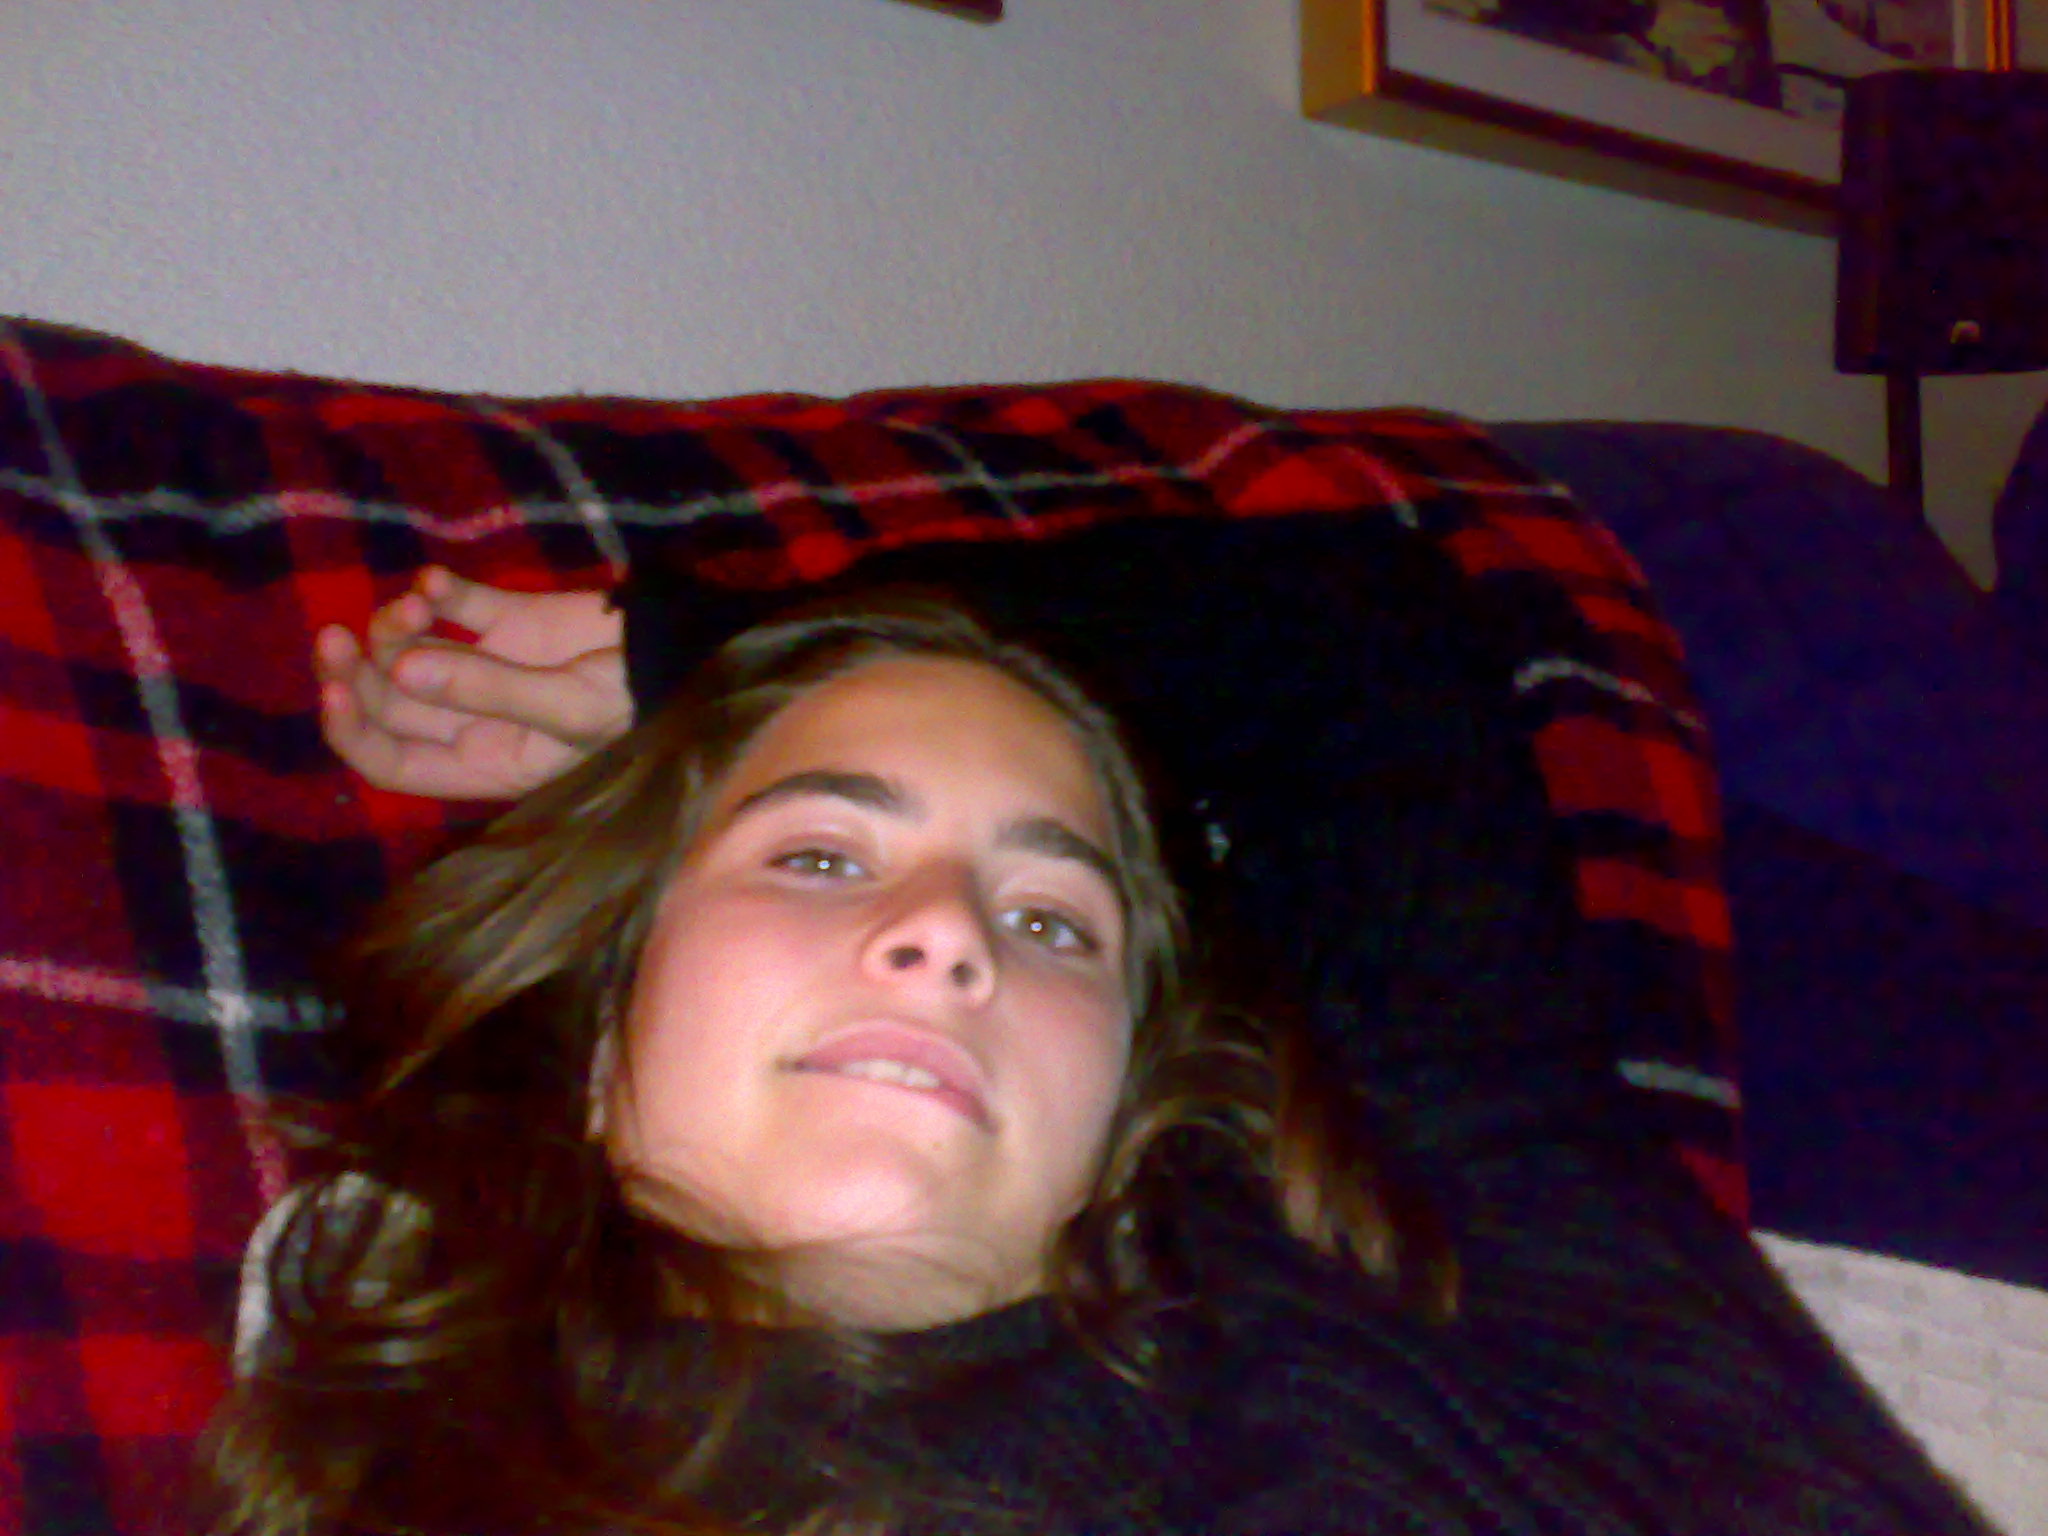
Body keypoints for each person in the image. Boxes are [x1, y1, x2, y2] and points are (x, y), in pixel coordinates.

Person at [207, 571, 2003, 1536]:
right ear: (603, 1021)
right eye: (819, 856)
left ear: (1130, 1088)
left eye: (1052, 918)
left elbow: (1355, 653)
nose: (944, 932)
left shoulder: (1434, 1220)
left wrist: (690, 648)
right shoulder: (430, 1446)